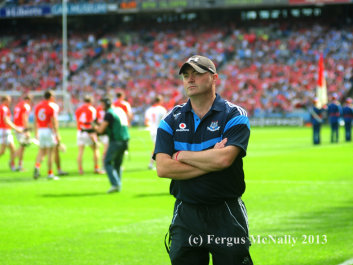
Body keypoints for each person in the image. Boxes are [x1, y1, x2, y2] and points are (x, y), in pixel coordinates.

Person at [154, 55, 253, 265]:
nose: (190, 80)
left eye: (198, 74)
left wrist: (181, 156)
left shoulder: (234, 114)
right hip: (186, 212)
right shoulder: (170, 119)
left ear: (214, 77)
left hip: (226, 211)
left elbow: (224, 160)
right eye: (186, 75)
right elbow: (162, 168)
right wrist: (210, 158)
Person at [94, 98, 130, 193]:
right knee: (117, 164)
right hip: (125, 140)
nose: (102, 108)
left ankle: (115, 184)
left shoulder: (109, 113)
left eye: (102, 105)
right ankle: (118, 184)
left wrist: (95, 128)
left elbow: (101, 130)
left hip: (116, 140)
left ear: (107, 104)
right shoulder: (120, 110)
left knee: (107, 162)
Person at [33, 90, 62, 180]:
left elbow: (35, 120)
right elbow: (54, 121)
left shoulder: (38, 106)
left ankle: (37, 166)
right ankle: (50, 173)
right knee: (50, 152)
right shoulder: (51, 107)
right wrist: (57, 134)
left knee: (41, 150)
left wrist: (36, 132)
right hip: (49, 130)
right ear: (51, 97)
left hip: (41, 130)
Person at [75, 95, 104, 175]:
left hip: (80, 131)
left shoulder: (79, 109)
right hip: (89, 131)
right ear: (91, 101)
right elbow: (92, 123)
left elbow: (77, 120)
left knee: (80, 151)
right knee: (96, 148)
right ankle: (96, 168)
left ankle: (80, 169)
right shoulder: (92, 109)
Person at [0, 95, 24, 171]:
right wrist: (16, 128)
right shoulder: (4, 108)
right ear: (5, 100)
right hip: (4, 130)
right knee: (3, 151)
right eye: (8, 100)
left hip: (6, 130)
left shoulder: (5, 108)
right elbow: (6, 120)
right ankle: (12, 165)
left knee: (12, 149)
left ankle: (12, 165)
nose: (10, 102)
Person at [144, 95, 167, 170]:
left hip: (152, 130)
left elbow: (146, 122)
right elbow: (165, 121)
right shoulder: (162, 109)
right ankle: (152, 164)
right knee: (158, 147)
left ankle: (154, 163)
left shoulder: (149, 110)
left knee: (157, 147)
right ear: (160, 101)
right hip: (160, 130)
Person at [13, 95, 32, 171]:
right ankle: (13, 161)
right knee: (22, 146)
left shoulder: (18, 105)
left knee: (22, 146)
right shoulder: (26, 106)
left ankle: (19, 165)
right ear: (28, 100)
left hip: (16, 127)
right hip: (21, 128)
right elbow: (25, 118)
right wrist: (26, 130)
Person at [95, 100, 109, 165]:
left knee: (99, 149)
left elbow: (94, 121)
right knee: (105, 149)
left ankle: (99, 166)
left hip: (99, 131)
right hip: (104, 131)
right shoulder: (108, 111)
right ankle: (104, 165)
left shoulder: (98, 109)